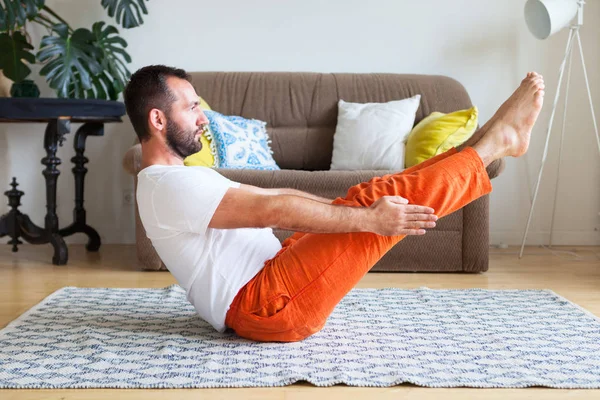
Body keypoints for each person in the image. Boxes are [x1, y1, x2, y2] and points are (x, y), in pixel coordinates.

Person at [123, 65, 545, 342]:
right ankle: (493, 145)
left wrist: (361, 211)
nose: (203, 117)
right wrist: (368, 221)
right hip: (268, 302)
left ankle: (481, 145)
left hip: (273, 282)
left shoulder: (176, 180)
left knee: (369, 199)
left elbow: (273, 196)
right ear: (158, 120)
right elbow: (273, 210)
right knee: (374, 212)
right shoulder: (166, 186)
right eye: (192, 107)